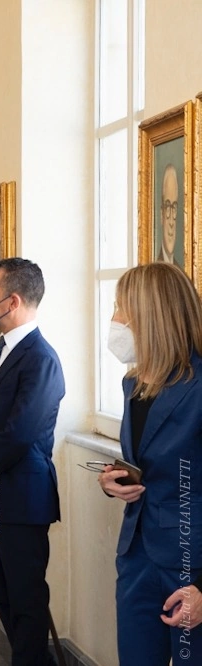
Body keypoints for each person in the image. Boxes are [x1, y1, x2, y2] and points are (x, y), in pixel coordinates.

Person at [98, 262, 202, 665]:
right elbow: (148, 462)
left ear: (151, 315)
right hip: (137, 555)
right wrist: (113, 480)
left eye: (120, 308)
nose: (114, 320)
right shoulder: (133, 385)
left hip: (191, 564)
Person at [0, 257, 65, 666]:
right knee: (4, 596)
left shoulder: (41, 358)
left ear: (12, 301)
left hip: (22, 501)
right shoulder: (0, 350)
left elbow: (17, 435)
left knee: (27, 602)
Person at [157, 164, 183, 267]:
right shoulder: (155, 269)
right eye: (167, 207)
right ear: (161, 215)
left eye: (174, 207)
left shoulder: (180, 271)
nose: (171, 222)